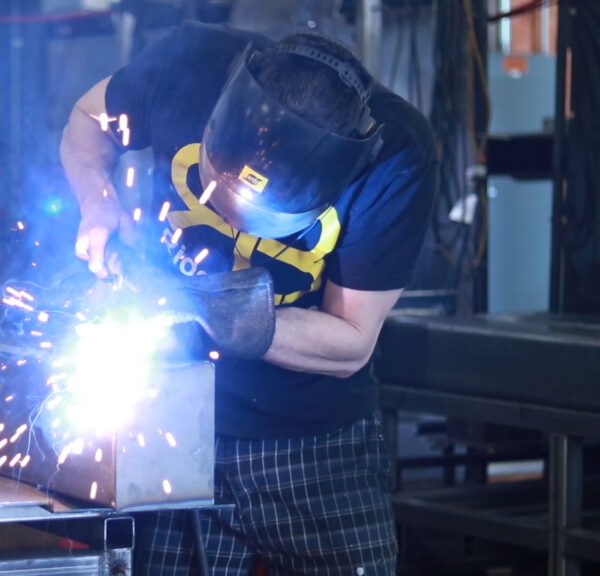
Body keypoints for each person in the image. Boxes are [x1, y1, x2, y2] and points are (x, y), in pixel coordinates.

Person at [59, 23, 438, 576]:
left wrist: (203, 305)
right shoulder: (189, 65)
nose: (228, 218)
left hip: (312, 442)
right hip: (170, 422)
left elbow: (352, 341)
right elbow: (88, 119)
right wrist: (98, 203)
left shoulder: (396, 156)